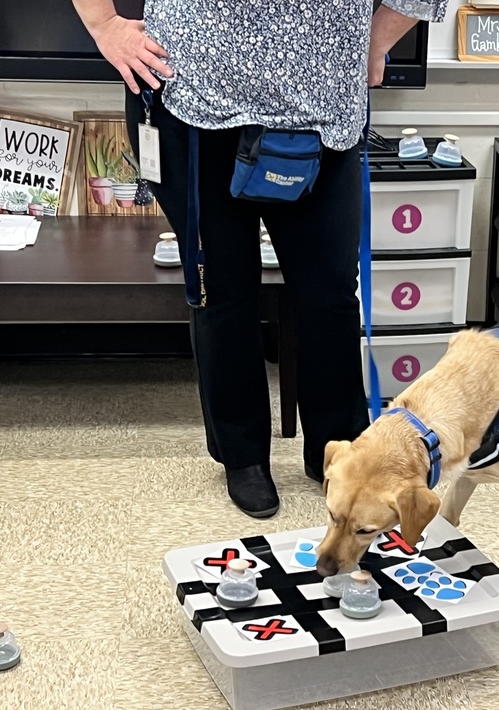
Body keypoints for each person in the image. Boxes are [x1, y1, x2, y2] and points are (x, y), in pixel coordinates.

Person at [73, 0, 448, 518]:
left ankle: (337, 450)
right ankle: (243, 456)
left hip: (323, 106)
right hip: (191, 96)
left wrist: (377, 38)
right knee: (222, 290)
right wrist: (105, 26)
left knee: (329, 295)